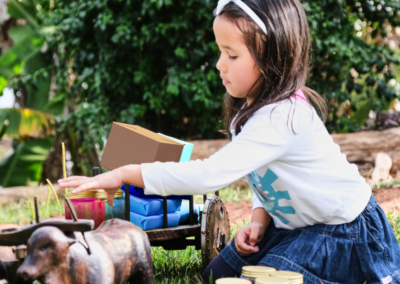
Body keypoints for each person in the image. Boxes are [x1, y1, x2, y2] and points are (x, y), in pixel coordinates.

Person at [58, 0, 400, 283]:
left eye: (232, 55)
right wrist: (258, 220)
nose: (220, 65)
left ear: (271, 58)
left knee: (258, 280)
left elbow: (209, 176)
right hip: (294, 226)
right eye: (220, 51)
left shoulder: (282, 117)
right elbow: (265, 174)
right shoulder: (251, 109)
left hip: (343, 232)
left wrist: (125, 173)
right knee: (215, 276)